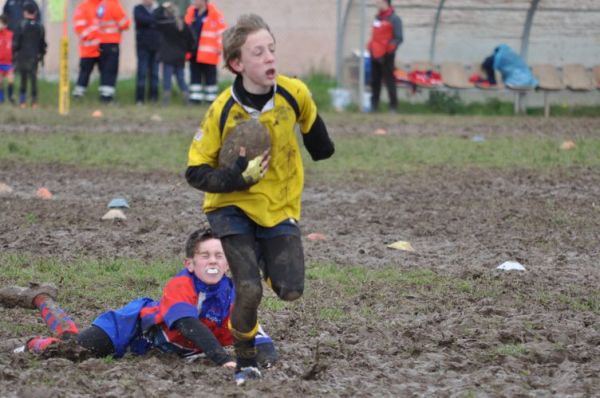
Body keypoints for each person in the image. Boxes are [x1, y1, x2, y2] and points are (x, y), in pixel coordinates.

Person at [185, 14, 335, 384]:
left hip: (280, 207)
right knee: (248, 288)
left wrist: (319, 142)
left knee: (290, 290)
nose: (270, 58)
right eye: (258, 52)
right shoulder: (222, 110)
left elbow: (321, 146)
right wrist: (236, 177)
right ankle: (246, 360)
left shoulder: (293, 94)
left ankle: (263, 267)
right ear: (237, 64)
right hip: (230, 207)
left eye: (272, 49)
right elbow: (195, 172)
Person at [0, 229, 278, 370]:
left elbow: (259, 338)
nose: (213, 261)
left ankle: (42, 297)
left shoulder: (234, 295)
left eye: (219, 256)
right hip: (127, 330)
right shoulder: (180, 284)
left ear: (228, 263)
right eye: (205, 255)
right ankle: (31, 333)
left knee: (69, 339)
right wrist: (222, 359)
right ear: (190, 263)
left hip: (156, 352)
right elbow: (188, 325)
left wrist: (263, 363)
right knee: (71, 350)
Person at [184, 0, 226, 104]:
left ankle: (211, 100)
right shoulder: (190, 13)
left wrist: (220, 47)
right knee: (195, 76)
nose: (194, 1)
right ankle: (195, 99)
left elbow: (222, 32)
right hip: (193, 52)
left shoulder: (214, 14)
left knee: (210, 77)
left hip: (209, 53)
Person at [154, 1, 194, 105]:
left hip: (167, 57)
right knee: (181, 79)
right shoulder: (184, 25)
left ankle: (166, 102)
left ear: (167, 13)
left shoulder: (165, 24)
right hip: (180, 57)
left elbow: (154, 18)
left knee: (167, 80)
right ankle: (187, 100)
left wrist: (162, 6)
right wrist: (187, 51)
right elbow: (191, 40)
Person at [367, 0, 402, 112]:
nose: (376, 4)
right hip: (375, 54)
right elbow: (375, 35)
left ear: (385, 2)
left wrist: (389, 49)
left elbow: (398, 37)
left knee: (389, 80)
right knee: (375, 80)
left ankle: (393, 106)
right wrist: (371, 46)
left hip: (387, 55)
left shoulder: (395, 19)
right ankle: (374, 106)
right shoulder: (377, 18)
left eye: (379, 1)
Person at [12, 2, 46, 108]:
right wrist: (41, 55)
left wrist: (14, 54)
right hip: (34, 57)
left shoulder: (21, 25)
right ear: (35, 12)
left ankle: (22, 102)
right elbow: (42, 44)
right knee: (33, 79)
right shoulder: (40, 27)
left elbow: (16, 43)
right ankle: (34, 102)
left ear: (25, 13)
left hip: (22, 56)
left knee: (23, 80)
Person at [96, 0, 130, 102]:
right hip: (112, 42)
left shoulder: (102, 5)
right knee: (111, 69)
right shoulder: (114, 5)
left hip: (101, 42)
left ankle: (103, 94)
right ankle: (108, 97)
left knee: (104, 69)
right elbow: (125, 24)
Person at [72, 0, 101, 98]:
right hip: (88, 49)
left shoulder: (105, 5)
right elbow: (80, 28)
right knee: (84, 72)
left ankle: (105, 96)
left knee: (106, 73)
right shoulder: (83, 7)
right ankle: (78, 94)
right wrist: (93, 35)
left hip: (103, 48)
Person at [133, 0, 160, 104]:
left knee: (154, 74)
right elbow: (141, 20)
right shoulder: (138, 9)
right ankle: (139, 99)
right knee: (142, 73)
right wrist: (153, 21)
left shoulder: (157, 10)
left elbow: (160, 21)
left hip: (156, 47)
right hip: (143, 48)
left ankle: (153, 99)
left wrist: (151, 21)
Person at [0, 14, 15, 104]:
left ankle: (11, 97)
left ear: (5, 25)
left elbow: (14, 47)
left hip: (8, 63)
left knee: (10, 80)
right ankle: (1, 99)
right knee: (0, 82)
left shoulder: (10, 34)